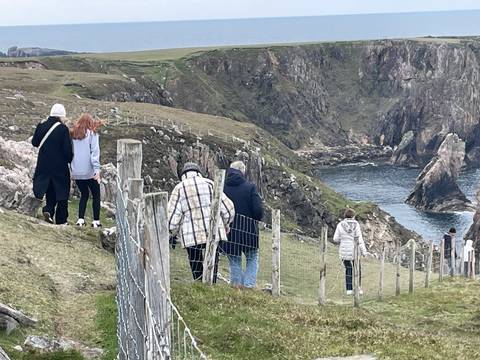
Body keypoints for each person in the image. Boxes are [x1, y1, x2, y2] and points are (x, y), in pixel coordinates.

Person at [168, 162, 235, 282]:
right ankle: (211, 283)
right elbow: (228, 208)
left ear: (183, 175)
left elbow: (172, 219)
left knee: (195, 261)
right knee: (213, 259)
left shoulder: (179, 188)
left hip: (191, 235)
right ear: (199, 172)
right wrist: (226, 223)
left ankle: (199, 284)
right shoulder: (210, 183)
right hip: (214, 231)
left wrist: (171, 233)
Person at [221, 161, 264, 288]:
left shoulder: (222, 188)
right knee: (252, 257)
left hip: (230, 230)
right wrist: (256, 219)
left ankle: (236, 286)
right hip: (248, 230)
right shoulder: (250, 187)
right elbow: (258, 210)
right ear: (242, 171)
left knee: (234, 259)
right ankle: (248, 286)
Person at [32, 104, 74, 225]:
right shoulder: (62, 129)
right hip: (59, 167)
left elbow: (35, 143)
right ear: (62, 116)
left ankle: (48, 210)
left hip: (43, 164)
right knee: (61, 193)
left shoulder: (41, 125)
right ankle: (61, 220)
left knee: (49, 189)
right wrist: (70, 160)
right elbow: (67, 150)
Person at [70, 113, 103, 228]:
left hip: (76, 172)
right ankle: (96, 221)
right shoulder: (92, 134)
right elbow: (94, 153)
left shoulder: (73, 135)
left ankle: (80, 219)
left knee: (84, 194)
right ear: (90, 123)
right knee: (96, 195)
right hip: (89, 171)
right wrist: (97, 171)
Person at [333, 208, 368, 295]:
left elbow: (335, 239)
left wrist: (343, 238)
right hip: (354, 251)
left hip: (344, 251)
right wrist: (364, 252)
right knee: (357, 269)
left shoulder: (340, 225)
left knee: (348, 269)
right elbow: (360, 240)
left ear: (345, 215)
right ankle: (358, 288)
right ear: (353, 216)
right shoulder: (356, 225)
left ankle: (349, 289)